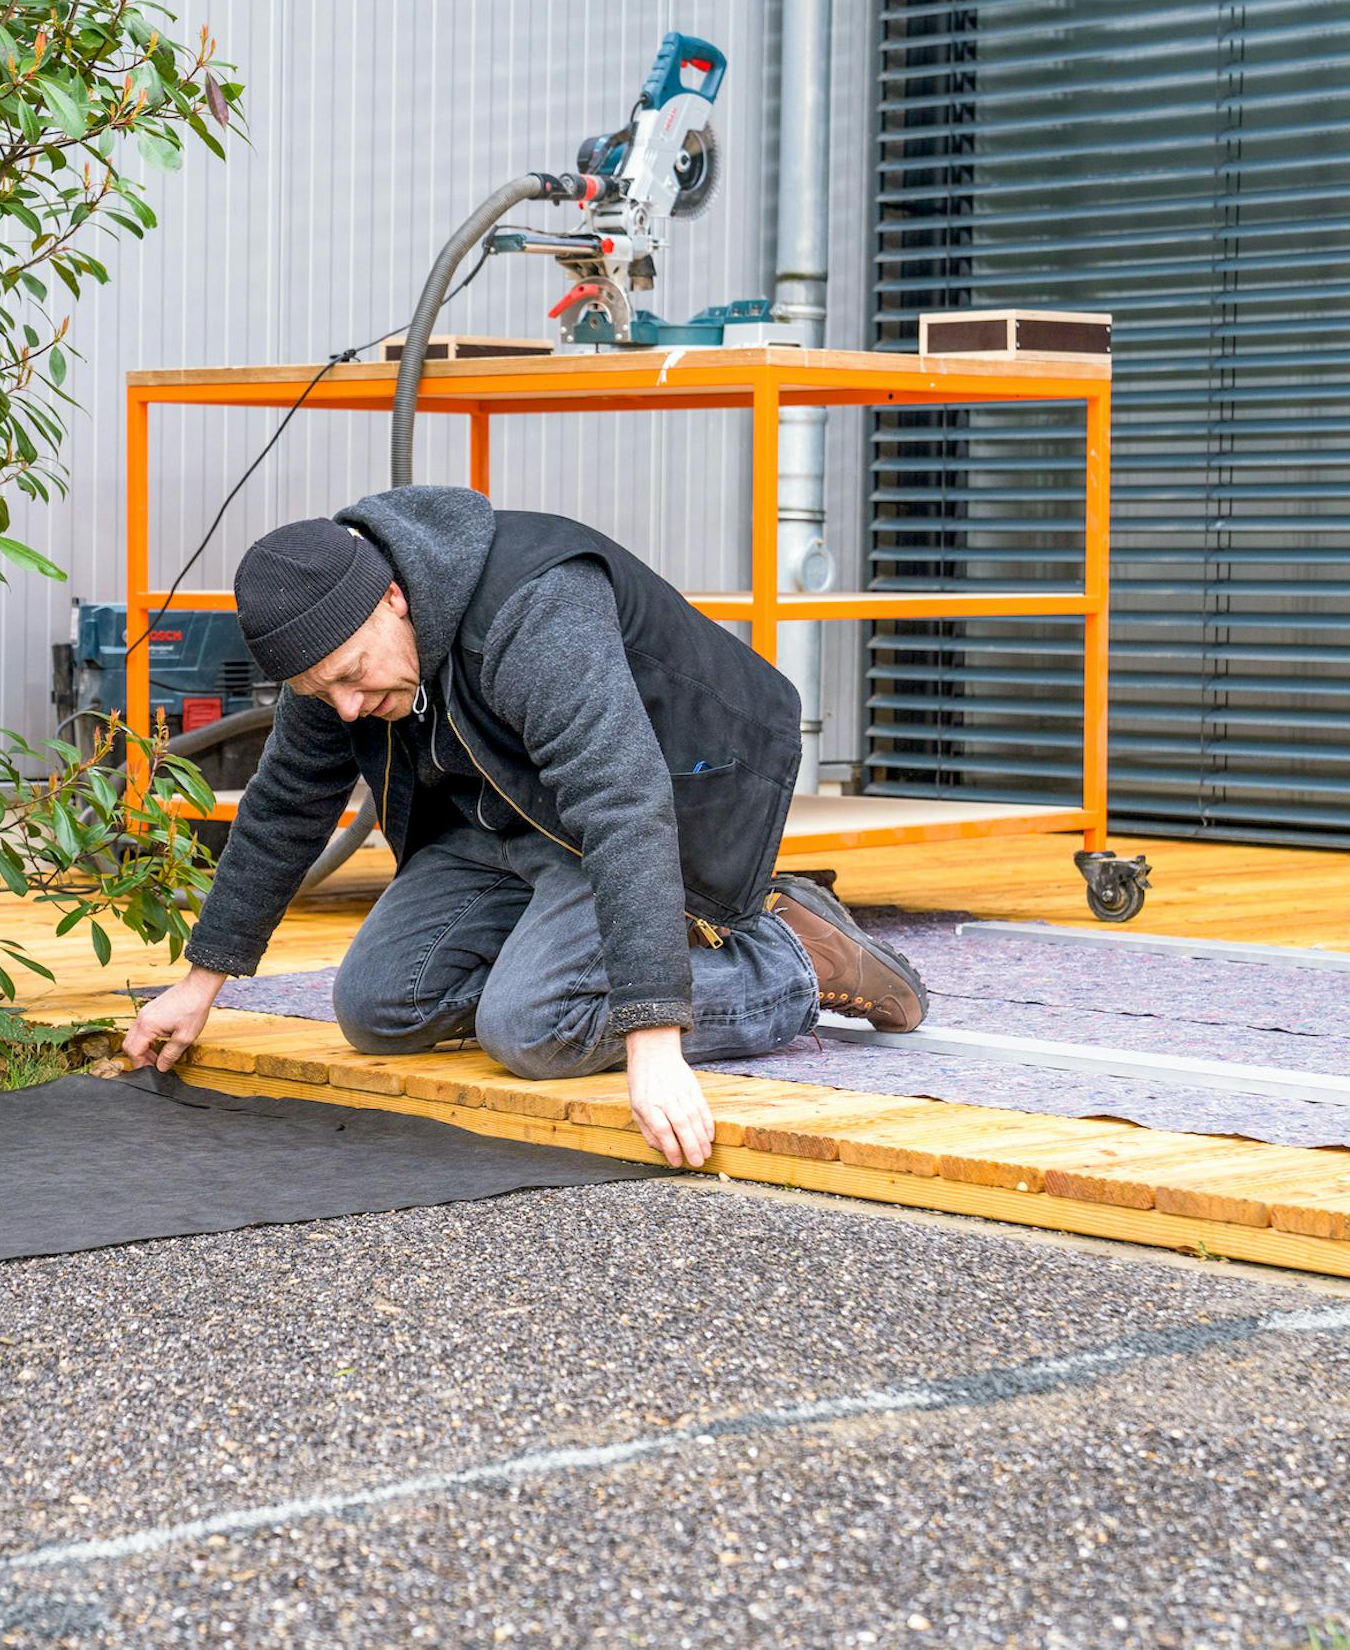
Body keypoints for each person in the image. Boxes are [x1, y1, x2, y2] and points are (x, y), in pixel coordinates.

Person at [122, 485, 926, 1168]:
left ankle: (789, 963)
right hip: (501, 814)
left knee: (533, 1029)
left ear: (393, 599)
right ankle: (572, 977)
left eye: (350, 678)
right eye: (317, 691)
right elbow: (283, 808)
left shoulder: (532, 607)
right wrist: (200, 985)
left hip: (676, 788)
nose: (345, 707)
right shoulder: (338, 650)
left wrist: (651, 1042)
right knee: (377, 1007)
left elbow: (621, 800)